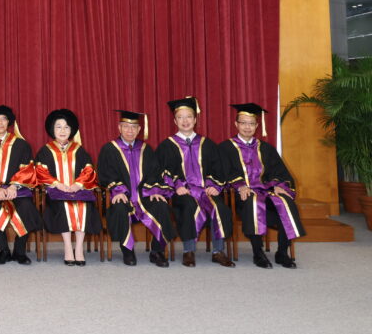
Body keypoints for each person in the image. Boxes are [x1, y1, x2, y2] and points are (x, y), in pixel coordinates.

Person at [220, 103, 305, 268]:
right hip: (241, 198)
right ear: (236, 124)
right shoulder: (225, 148)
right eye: (243, 123)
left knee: (286, 203)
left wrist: (279, 185)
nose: (247, 127)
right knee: (253, 202)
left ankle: (282, 252)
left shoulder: (266, 148)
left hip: (266, 193)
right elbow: (223, 172)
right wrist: (240, 185)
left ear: (257, 126)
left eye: (251, 123)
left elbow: (280, 172)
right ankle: (257, 253)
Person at [156, 97, 235, 268]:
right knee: (188, 206)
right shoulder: (166, 146)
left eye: (189, 117)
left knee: (219, 207)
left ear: (195, 119)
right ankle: (188, 251)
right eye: (181, 117)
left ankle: (218, 251)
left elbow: (218, 169)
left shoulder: (207, 144)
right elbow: (161, 171)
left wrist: (214, 186)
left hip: (205, 191)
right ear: (174, 120)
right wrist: (177, 186)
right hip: (183, 192)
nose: (185, 121)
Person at [96, 110, 174, 267]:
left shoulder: (146, 149)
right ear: (119, 127)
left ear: (139, 130)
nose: (130, 130)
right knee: (118, 208)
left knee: (161, 206)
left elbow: (154, 173)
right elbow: (105, 174)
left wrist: (154, 191)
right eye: (126, 126)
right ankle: (127, 250)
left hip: (144, 196)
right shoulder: (109, 149)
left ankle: (157, 251)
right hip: (123, 196)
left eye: (133, 127)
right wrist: (117, 190)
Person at [0, 105, 40, 265]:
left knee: (26, 208)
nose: (0, 122)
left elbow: (27, 168)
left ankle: (20, 250)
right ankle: (4, 250)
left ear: (9, 122)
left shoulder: (21, 144)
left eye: (3, 119)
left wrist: (14, 186)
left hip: (17, 189)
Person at [35, 108, 101, 266]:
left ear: (71, 130)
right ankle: (67, 247)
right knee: (65, 206)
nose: (62, 130)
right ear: (52, 129)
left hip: (77, 191)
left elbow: (88, 169)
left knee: (83, 207)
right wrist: (58, 185)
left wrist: (77, 185)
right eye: (58, 127)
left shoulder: (79, 149)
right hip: (56, 192)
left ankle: (78, 248)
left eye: (66, 127)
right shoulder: (45, 150)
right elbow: (40, 171)